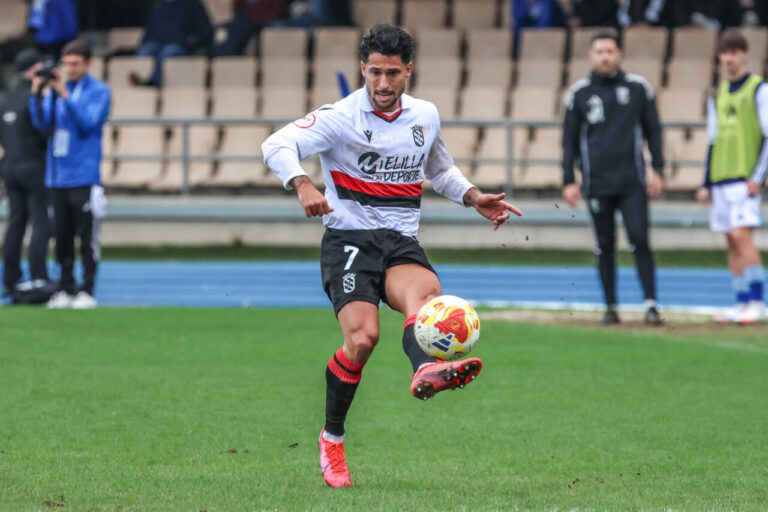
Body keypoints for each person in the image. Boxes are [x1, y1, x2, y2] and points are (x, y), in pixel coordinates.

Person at [261, 24, 522, 488]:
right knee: (362, 339)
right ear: (363, 68)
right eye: (375, 73)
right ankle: (333, 439)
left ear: (409, 71)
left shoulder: (424, 115)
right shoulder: (340, 116)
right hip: (349, 240)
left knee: (428, 298)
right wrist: (302, 183)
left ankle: (425, 368)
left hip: (400, 239)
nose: (383, 84)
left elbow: (439, 169)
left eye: (393, 74)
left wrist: (473, 196)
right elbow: (276, 144)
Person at [561, 32, 665, 326]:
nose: (605, 56)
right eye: (599, 51)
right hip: (597, 183)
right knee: (604, 245)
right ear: (592, 56)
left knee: (640, 239)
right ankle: (610, 306)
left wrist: (658, 168)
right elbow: (569, 141)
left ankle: (651, 305)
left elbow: (653, 131)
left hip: (633, 182)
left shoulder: (638, 88)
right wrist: (569, 179)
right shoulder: (579, 93)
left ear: (619, 54)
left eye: (610, 50)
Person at [29, 39, 110, 310]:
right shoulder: (53, 91)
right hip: (57, 176)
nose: (71, 69)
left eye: (76, 64)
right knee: (62, 237)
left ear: (88, 64)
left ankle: (87, 288)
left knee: (86, 238)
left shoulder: (99, 91)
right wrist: (37, 95)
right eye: (67, 64)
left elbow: (89, 123)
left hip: (84, 175)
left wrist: (65, 95)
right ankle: (65, 286)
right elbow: (42, 124)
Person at [696, 29, 767, 324]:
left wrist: (758, 176)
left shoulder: (759, 89)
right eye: (724, 53)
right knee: (730, 240)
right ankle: (741, 301)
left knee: (742, 236)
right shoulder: (718, 95)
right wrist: (706, 181)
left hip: (744, 178)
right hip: (722, 178)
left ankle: (758, 302)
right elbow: (712, 141)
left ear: (745, 54)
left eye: (734, 52)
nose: (729, 58)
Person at [0, 48, 52, 300]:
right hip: (33, 165)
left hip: (9, 165)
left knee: (16, 224)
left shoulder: (6, 97)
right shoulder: (34, 96)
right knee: (41, 222)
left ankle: (11, 279)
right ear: (35, 69)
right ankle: (38, 276)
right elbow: (44, 131)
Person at [133, 0, 213, 86]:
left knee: (169, 51)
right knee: (145, 50)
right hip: (157, 46)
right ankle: (138, 82)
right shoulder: (158, 7)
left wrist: (190, 42)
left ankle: (153, 83)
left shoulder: (193, 3)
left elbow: (206, 31)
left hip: (181, 47)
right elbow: (148, 34)